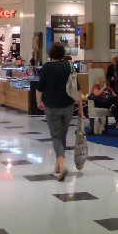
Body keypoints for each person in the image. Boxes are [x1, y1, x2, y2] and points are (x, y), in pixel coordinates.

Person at [36, 42, 83, 181]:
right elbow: (77, 88)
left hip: (52, 106)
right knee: (62, 134)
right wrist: (80, 107)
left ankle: (62, 164)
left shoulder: (47, 67)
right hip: (68, 105)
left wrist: (39, 101)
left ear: (50, 54)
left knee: (56, 136)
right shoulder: (69, 66)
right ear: (63, 53)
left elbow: (40, 88)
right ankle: (57, 165)